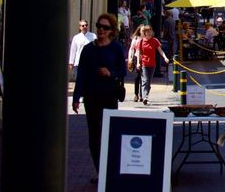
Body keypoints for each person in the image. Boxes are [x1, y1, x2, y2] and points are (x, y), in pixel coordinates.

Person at [72, 13, 126, 184]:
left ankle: (109, 167)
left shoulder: (116, 48)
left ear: (112, 31)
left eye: (105, 27)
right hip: (91, 96)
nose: (101, 30)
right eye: (99, 26)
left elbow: (123, 71)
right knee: (94, 135)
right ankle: (99, 169)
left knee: (109, 132)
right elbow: (81, 75)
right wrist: (76, 97)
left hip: (109, 95)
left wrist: (111, 73)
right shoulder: (88, 49)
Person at [135, 25, 170, 106]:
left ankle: (145, 96)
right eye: (147, 32)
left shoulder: (155, 41)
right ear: (144, 33)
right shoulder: (141, 41)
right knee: (145, 80)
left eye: (150, 31)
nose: (149, 33)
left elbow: (160, 50)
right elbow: (138, 53)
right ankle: (145, 97)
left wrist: (165, 57)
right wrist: (137, 63)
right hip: (144, 63)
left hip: (152, 64)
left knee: (149, 82)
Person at [127, 33, 143, 102]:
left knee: (143, 77)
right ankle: (136, 94)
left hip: (145, 59)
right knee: (137, 77)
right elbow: (131, 49)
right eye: (142, 30)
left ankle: (142, 95)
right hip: (137, 58)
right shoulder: (136, 38)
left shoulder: (147, 38)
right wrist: (130, 58)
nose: (143, 32)